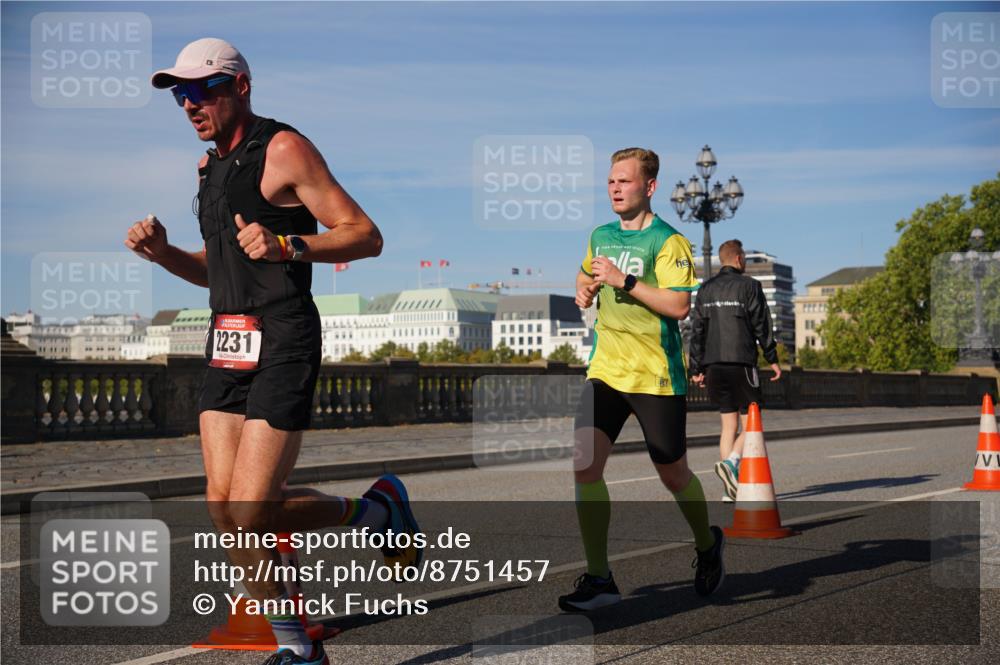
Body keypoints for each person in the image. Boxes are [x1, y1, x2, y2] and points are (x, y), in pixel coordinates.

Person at [125, 38, 420, 665]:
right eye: (181, 94)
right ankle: (360, 536)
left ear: (240, 87)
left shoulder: (283, 148)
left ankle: (365, 531)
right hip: (226, 337)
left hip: (284, 334)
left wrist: (290, 247)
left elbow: (365, 235)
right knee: (225, 508)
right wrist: (162, 254)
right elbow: (216, 271)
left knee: (253, 507)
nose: (190, 103)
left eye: (202, 89)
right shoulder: (208, 170)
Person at [560, 148, 725, 612]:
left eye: (624, 181)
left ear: (649, 187)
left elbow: (678, 307)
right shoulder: (600, 234)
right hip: (606, 371)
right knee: (584, 466)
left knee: (673, 476)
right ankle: (600, 578)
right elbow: (585, 271)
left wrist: (623, 280)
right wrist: (583, 285)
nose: (614, 188)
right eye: (610, 181)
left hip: (654, 376)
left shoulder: (669, 241)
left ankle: (706, 543)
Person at [688, 239, 781, 502]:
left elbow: (696, 331)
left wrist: (696, 367)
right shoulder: (750, 286)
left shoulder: (705, 289)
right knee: (751, 422)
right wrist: (772, 357)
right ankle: (731, 464)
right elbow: (762, 324)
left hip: (714, 364)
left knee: (727, 425)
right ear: (739, 258)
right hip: (741, 362)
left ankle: (729, 490)